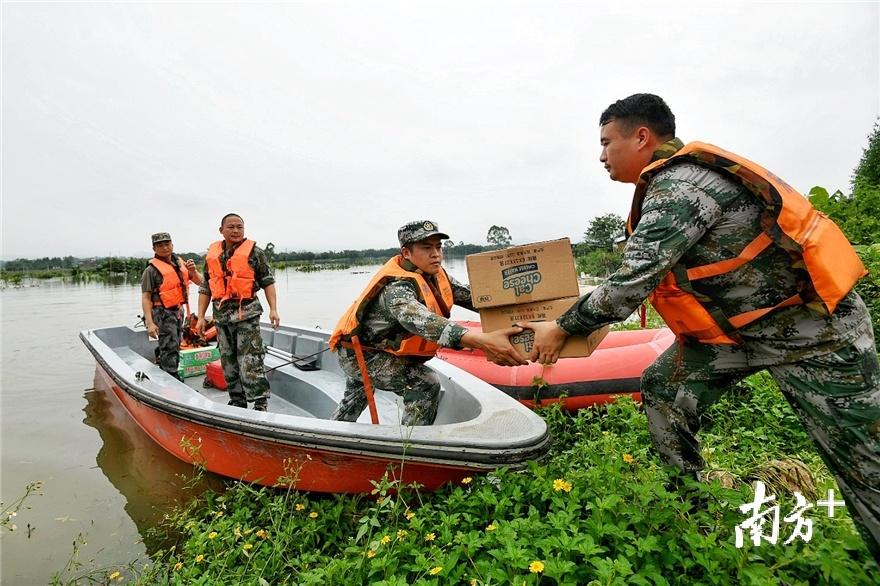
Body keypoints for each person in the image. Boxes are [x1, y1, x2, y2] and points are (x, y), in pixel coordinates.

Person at [523, 93, 880, 561]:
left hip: (813, 333)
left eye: (607, 142)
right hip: (739, 335)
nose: (601, 155)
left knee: (864, 463)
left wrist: (561, 326)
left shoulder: (681, 188)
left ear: (642, 137)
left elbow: (628, 285)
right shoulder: (662, 188)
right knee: (663, 386)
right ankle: (690, 506)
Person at [328, 220, 527, 426]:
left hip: (376, 348)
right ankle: (410, 446)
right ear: (406, 253)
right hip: (360, 353)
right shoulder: (397, 288)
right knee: (424, 383)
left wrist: (525, 307)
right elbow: (424, 322)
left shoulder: (435, 275)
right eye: (426, 248)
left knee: (353, 400)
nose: (436, 254)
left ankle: (330, 433)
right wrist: (482, 340)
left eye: (438, 247)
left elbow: (476, 299)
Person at [196, 213, 280, 411]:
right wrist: (200, 317)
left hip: (247, 314)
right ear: (221, 230)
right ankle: (237, 400)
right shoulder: (212, 255)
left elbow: (268, 282)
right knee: (228, 360)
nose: (236, 231)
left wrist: (273, 309)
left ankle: (260, 402)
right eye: (231, 227)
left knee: (250, 358)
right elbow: (205, 288)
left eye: (239, 227)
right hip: (221, 317)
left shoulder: (255, 253)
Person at [140, 232, 203, 380]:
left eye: (167, 244)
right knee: (170, 346)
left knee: (174, 342)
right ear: (154, 248)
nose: (164, 247)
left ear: (172, 245)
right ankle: (171, 377)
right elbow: (146, 297)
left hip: (177, 310)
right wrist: (150, 323)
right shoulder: (150, 271)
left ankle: (161, 358)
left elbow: (201, 282)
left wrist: (193, 271)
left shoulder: (181, 263)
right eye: (160, 245)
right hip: (161, 312)